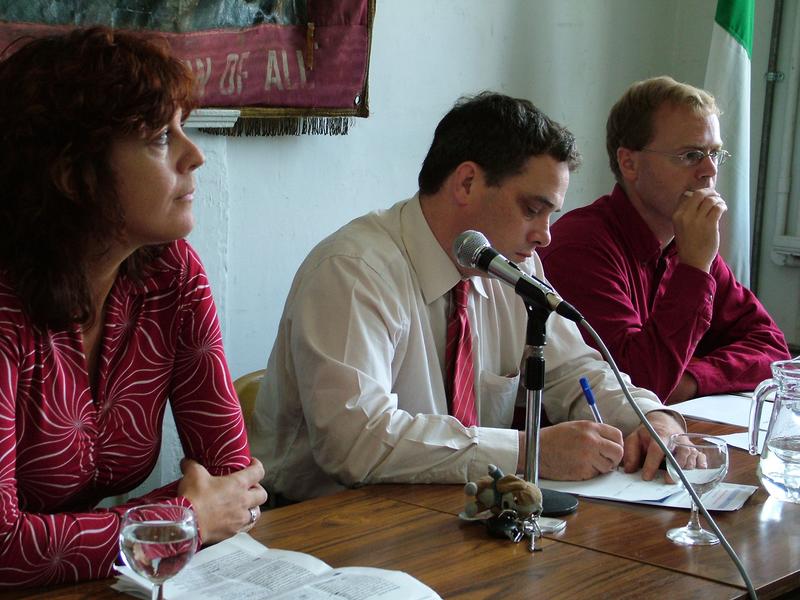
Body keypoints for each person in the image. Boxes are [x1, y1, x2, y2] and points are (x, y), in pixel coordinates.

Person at [250, 92, 684, 503]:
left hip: (453, 511)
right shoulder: (353, 270)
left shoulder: (512, 268)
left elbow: (575, 373)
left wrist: (650, 419)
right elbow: (356, 442)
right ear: (468, 182)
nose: (545, 236)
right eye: (532, 210)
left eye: (551, 214)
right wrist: (528, 451)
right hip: (317, 524)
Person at [0, 27, 267, 587]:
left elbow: (234, 485)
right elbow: (3, 544)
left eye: (182, 129)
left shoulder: (172, 273)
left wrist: (195, 511)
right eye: (158, 138)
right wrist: (182, 518)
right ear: (73, 175)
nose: (194, 155)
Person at [539, 76, 790, 404]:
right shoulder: (581, 248)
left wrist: (691, 379)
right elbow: (635, 389)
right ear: (629, 163)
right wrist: (695, 269)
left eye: (715, 153)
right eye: (690, 155)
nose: (709, 171)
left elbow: (771, 347)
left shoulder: (686, 239)